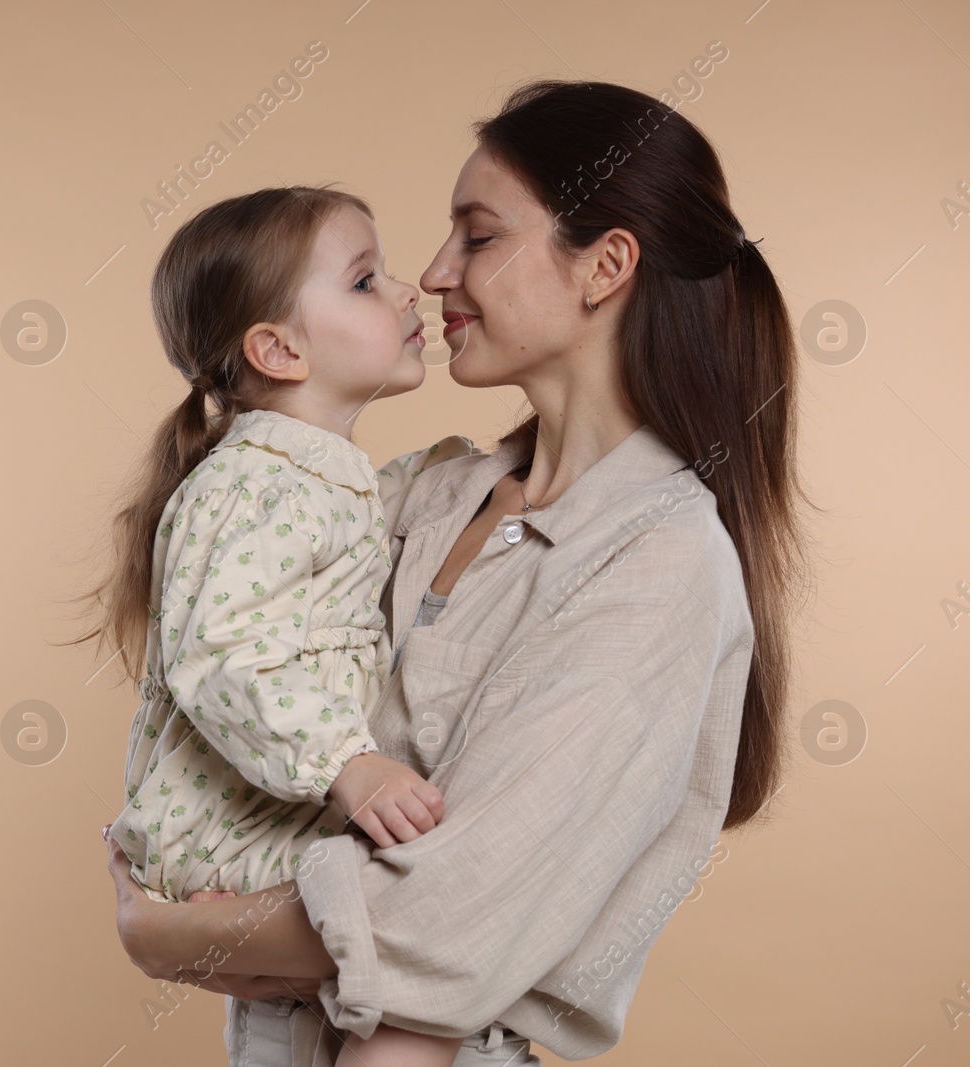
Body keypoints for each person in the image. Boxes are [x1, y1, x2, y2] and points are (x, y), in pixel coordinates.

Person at [100, 78, 818, 1066]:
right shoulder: (424, 495)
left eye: (476, 237)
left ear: (604, 266)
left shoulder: (657, 562)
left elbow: (445, 920)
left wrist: (170, 934)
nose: (433, 275)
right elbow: (242, 638)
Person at [68, 184, 498, 1066]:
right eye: (365, 280)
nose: (407, 289)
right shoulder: (254, 484)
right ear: (278, 347)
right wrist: (349, 763)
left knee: (392, 989)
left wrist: (482, 466)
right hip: (231, 837)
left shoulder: (308, 473)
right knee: (428, 945)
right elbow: (227, 658)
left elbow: (351, 532)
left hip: (276, 823)